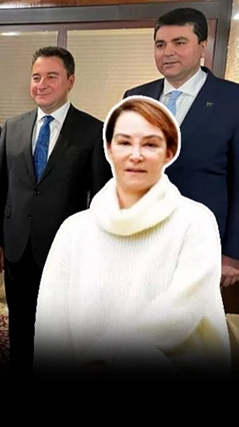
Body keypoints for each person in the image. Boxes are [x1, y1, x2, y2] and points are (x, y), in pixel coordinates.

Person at [34, 96, 231, 380]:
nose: (136, 155)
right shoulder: (75, 229)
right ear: (109, 149)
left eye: (150, 144)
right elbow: (51, 321)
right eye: (124, 142)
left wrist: (105, 359)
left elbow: (181, 312)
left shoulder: (195, 221)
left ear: (169, 152)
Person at [0, 46, 111, 376]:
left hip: (65, 249)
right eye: (36, 77)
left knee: (58, 329)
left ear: (70, 81)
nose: (41, 84)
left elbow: (100, 198)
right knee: (19, 323)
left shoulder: (92, 132)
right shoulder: (12, 127)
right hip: (16, 246)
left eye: (51, 77)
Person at [124, 7, 239, 288]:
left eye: (179, 42)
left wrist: (233, 253)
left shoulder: (232, 99)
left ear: (203, 46)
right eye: (160, 44)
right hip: (140, 239)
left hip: (203, 242)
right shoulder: (136, 98)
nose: (168, 52)